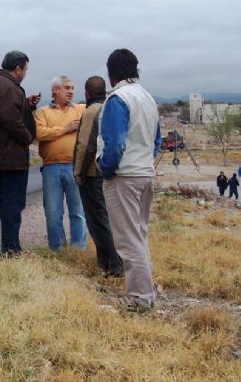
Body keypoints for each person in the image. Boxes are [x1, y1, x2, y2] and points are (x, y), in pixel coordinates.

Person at [97, 48, 161, 312]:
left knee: (127, 239)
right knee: (139, 234)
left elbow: (115, 143)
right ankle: (146, 290)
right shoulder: (147, 98)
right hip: (145, 172)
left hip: (124, 175)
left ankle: (140, 297)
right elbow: (157, 142)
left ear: (111, 74)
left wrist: (106, 168)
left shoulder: (118, 99)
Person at [0, 51, 40, 256]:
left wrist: (26, 105)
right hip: (11, 154)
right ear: (18, 68)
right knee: (13, 203)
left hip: (4, 153)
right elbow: (9, 118)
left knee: (8, 201)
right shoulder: (8, 85)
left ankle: (10, 245)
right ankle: (11, 248)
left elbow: (8, 111)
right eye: (25, 69)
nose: (25, 73)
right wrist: (27, 136)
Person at [73, 75, 123, 277]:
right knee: (110, 217)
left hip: (93, 174)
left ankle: (114, 262)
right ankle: (105, 262)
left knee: (97, 220)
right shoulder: (112, 109)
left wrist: (78, 172)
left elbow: (84, 145)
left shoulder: (91, 112)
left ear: (86, 94)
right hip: (113, 172)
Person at [35, 75, 87, 251]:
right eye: (67, 88)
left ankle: (78, 249)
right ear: (55, 90)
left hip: (75, 166)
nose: (71, 91)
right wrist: (66, 129)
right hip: (51, 167)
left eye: (72, 88)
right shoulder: (42, 112)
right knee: (53, 212)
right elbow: (40, 134)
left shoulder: (81, 109)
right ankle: (57, 249)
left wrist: (55, 131)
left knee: (78, 211)